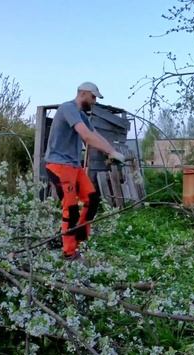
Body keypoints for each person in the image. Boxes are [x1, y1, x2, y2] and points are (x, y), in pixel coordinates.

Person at [44, 82, 125, 260]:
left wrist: (113, 152)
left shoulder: (82, 115)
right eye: (93, 97)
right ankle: (69, 253)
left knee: (93, 199)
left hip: (74, 166)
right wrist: (110, 152)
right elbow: (86, 136)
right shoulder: (68, 108)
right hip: (58, 165)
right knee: (71, 208)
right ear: (83, 93)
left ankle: (72, 237)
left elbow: (95, 135)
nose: (94, 101)